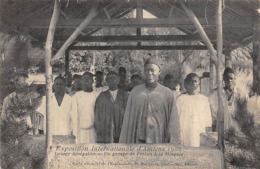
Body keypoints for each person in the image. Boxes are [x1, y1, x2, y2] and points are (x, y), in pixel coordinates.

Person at [119, 58, 180, 144]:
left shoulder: (167, 93)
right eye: (146, 70)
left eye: (153, 70)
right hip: (138, 139)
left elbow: (173, 121)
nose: (149, 73)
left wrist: (174, 142)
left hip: (159, 138)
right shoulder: (135, 92)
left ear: (159, 71)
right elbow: (128, 120)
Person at [171, 73, 212, 147]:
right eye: (191, 81)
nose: (193, 83)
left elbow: (208, 119)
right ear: (186, 83)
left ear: (199, 83)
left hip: (200, 131)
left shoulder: (204, 99)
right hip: (185, 131)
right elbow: (175, 119)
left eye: (195, 81)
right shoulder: (181, 99)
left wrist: (207, 134)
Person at [36, 75, 76, 143]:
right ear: (53, 85)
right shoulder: (46, 99)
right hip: (50, 134)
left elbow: (73, 118)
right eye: (57, 84)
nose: (58, 86)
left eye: (61, 84)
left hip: (66, 134)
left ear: (65, 85)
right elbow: (40, 116)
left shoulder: (71, 100)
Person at [209, 67, 248, 132]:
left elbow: (245, 114)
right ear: (223, 79)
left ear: (235, 79)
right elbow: (213, 115)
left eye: (231, 78)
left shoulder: (241, 94)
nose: (229, 80)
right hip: (222, 129)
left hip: (237, 129)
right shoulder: (216, 94)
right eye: (227, 78)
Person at [94, 71, 128, 143]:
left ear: (118, 79)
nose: (112, 80)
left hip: (121, 130)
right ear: (106, 81)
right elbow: (97, 115)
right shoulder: (102, 96)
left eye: (114, 78)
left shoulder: (125, 95)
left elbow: (129, 114)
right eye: (109, 78)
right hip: (106, 131)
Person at [72, 72, 99, 143]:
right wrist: (75, 134)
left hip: (93, 132)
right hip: (80, 132)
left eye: (88, 79)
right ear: (81, 81)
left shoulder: (97, 95)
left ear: (93, 81)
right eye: (84, 79)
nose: (86, 81)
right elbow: (74, 116)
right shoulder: (77, 96)